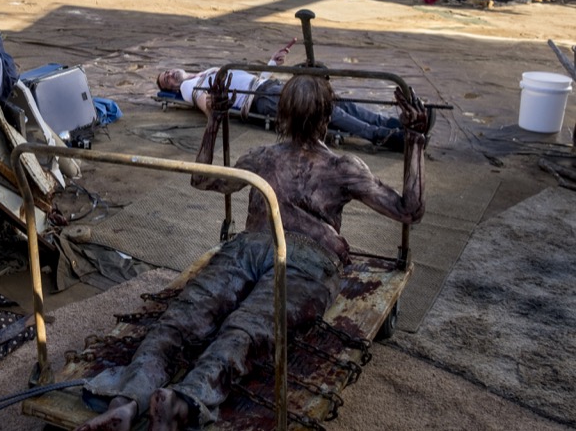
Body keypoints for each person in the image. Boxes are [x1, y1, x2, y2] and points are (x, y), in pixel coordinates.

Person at [77, 74, 427, 431]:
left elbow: (202, 178)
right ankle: (184, 401)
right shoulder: (342, 168)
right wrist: (415, 140)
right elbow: (409, 211)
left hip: (251, 245)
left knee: (182, 319)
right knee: (246, 330)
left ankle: (127, 399)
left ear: (282, 116)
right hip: (307, 259)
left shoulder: (260, 158)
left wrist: (214, 121)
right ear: (327, 117)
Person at [156, 41, 406, 151]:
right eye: (165, 79)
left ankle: (385, 123)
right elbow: (201, 99)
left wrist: (271, 62)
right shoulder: (190, 87)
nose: (168, 75)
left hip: (264, 86)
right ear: (171, 89)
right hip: (258, 99)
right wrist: (210, 111)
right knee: (323, 109)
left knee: (333, 100)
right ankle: (382, 135)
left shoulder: (204, 71)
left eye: (167, 71)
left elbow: (254, 78)